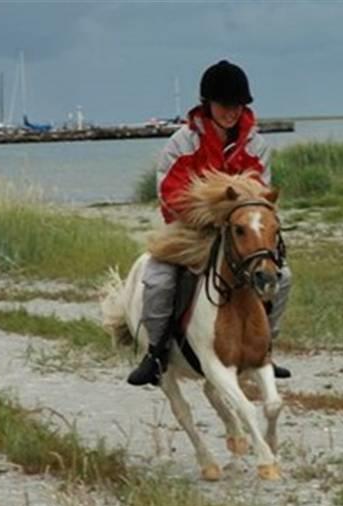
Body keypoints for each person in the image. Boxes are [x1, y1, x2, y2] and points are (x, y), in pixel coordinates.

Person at [128, 59, 292, 386]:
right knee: (159, 279)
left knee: (283, 277)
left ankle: (264, 349)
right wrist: (208, 212)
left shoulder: (256, 145)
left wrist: (241, 219)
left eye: (238, 105)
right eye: (224, 105)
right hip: (191, 231)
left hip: (240, 233)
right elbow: (170, 193)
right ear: (208, 104)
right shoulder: (181, 143)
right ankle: (156, 353)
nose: (231, 112)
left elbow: (259, 194)